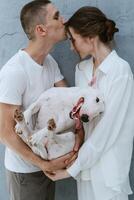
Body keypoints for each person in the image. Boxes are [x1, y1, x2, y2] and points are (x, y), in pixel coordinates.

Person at [45, 6, 134, 200]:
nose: (71, 47)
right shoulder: (82, 70)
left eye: (73, 40)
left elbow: (107, 130)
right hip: (85, 173)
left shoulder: (120, 72)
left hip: (109, 174)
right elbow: (81, 123)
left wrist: (70, 171)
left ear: (90, 37)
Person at [0, 1, 83, 200]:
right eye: (56, 16)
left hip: (48, 164)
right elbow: (4, 132)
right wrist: (43, 164)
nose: (64, 20)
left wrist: (79, 136)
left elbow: (71, 103)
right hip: (26, 172)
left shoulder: (49, 62)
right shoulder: (15, 72)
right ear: (41, 29)